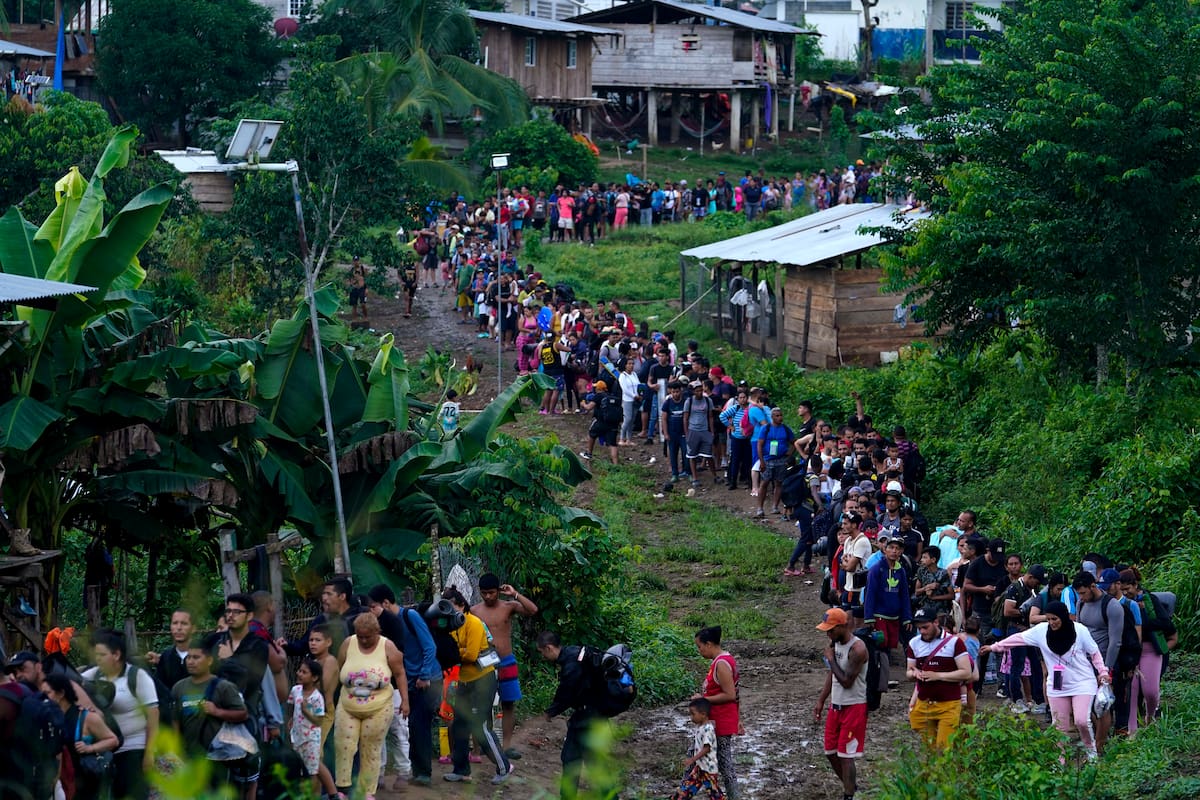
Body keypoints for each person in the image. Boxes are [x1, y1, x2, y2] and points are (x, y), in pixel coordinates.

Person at [981, 601, 1110, 759]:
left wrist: (1102, 672)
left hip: (1082, 682)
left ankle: (1092, 756)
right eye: (1048, 619)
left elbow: (1094, 652)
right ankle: (1060, 761)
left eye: (1055, 619)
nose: (1051, 623)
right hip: (1057, 685)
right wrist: (995, 647)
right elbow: (1018, 638)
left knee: (1081, 720)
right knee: (1059, 727)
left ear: (1063, 617)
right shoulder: (1041, 631)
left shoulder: (1080, 630)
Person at [366, 586, 440, 787]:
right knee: (413, 726)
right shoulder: (385, 625)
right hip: (411, 682)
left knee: (418, 724)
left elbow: (430, 646)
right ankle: (417, 771)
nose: (372, 612)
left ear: (386, 603)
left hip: (427, 678)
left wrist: (424, 675)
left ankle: (422, 773)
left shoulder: (410, 616)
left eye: (374, 607)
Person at [442, 587, 513, 784]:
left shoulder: (472, 623)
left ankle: (504, 767)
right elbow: (455, 652)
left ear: (461, 605)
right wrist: (458, 652)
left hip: (483, 679)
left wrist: (455, 652)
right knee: (460, 726)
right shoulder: (450, 625)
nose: (448, 611)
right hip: (465, 680)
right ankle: (461, 770)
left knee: (480, 726)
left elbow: (471, 655)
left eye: (452, 606)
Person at [335, 613, 410, 798]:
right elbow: (337, 668)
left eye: (367, 636)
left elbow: (400, 674)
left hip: (379, 706)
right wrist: (328, 696)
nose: (363, 640)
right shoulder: (348, 643)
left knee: (371, 748)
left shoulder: (388, 647)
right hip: (347, 703)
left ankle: (367, 791)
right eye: (360, 636)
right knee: (343, 744)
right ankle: (342, 788)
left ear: (377, 631)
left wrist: (405, 702)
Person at [173, 635, 257, 793]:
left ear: (210, 660)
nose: (191, 661)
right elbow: (175, 720)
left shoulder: (223, 686)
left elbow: (243, 714)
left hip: (217, 757)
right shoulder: (179, 687)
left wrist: (217, 711)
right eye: (189, 657)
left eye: (196, 657)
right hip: (189, 756)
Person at [81, 629, 159, 800]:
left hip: (133, 749)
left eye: (102, 654)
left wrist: (149, 753)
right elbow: (73, 684)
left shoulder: (138, 677)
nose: (98, 659)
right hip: (103, 751)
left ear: (116, 655)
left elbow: (153, 716)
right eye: (96, 654)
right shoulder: (94, 675)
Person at [471, 573, 539, 758]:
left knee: (508, 704)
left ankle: (507, 746)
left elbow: (532, 610)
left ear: (498, 591)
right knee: (482, 706)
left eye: (491, 593)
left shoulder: (508, 607)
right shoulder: (474, 611)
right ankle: (483, 747)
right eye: (484, 593)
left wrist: (515, 594)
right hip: (484, 664)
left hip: (506, 661)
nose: (488, 596)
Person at [537, 630, 603, 800]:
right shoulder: (573, 653)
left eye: (542, 652)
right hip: (589, 715)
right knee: (572, 759)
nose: (543, 656)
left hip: (587, 717)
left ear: (549, 648)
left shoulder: (571, 663)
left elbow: (566, 694)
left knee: (583, 761)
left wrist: (549, 713)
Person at [813, 608, 867, 800]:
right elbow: (832, 675)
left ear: (844, 626)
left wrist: (830, 659)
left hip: (854, 706)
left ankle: (848, 795)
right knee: (830, 751)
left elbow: (846, 680)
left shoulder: (858, 649)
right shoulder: (835, 644)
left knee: (846, 755)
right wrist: (821, 700)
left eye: (831, 630)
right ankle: (850, 785)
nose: (828, 634)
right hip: (835, 706)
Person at [905, 607, 973, 751]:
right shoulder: (914, 643)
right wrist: (915, 673)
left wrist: (938, 676)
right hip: (925, 704)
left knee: (944, 749)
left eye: (925, 627)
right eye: (919, 628)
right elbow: (909, 671)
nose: (922, 631)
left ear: (936, 622)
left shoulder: (954, 643)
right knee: (930, 750)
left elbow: (967, 673)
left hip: (949, 704)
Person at [43, 673, 119, 800]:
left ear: (61, 693)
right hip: (63, 785)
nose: (43, 698)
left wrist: (90, 748)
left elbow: (113, 740)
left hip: (86, 784)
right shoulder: (50, 717)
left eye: (47, 693)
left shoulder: (86, 717)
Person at [1072, 570, 1124, 751]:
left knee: (1103, 704)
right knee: (1087, 705)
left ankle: (1100, 746)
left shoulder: (1111, 606)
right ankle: (1095, 739)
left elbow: (1115, 641)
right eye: (1078, 593)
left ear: (1093, 587)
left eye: (1083, 592)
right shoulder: (1081, 603)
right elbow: (1078, 631)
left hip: (1104, 661)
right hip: (1083, 662)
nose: (1081, 596)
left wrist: (1106, 669)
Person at [693, 626, 740, 800]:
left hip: (719, 723)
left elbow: (730, 694)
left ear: (710, 644)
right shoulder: (723, 660)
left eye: (700, 646)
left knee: (724, 766)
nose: (700, 651)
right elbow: (736, 694)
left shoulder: (721, 663)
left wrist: (703, 699)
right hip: (719, 722)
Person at [280, 578, 367, 657]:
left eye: (329, 594)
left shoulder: (362, 616)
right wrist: (286, 646)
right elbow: (303, 645)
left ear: (342, 596)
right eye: (324, 594)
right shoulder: (321, 620)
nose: (324, 598)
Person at [288, 657, 336, 799]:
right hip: (297, 737)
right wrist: (291, 720)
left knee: (312, 771)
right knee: (300, 770)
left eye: (304, 672)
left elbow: (319, 720)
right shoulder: (295, 690)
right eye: (299, 671)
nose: (299, 674)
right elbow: (291, 707)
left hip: (310, 739)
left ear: (314, 677)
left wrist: (306, 712)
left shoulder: (316, 698)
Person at [670, 698, 725, 800]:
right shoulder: (701, 727)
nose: (691, 717)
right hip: (700, 766)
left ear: (703, 714)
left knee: (714, 793)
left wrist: (692, 759)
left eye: (693, 714)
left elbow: (707, 748)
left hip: (708, 768)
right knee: (688, 786)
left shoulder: (708, 729)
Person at [146, 608, 195, 691]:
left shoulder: (203, 654)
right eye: (175, 623)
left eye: (184, 623)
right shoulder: (166, 657)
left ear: (193, 628)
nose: (179, 628)